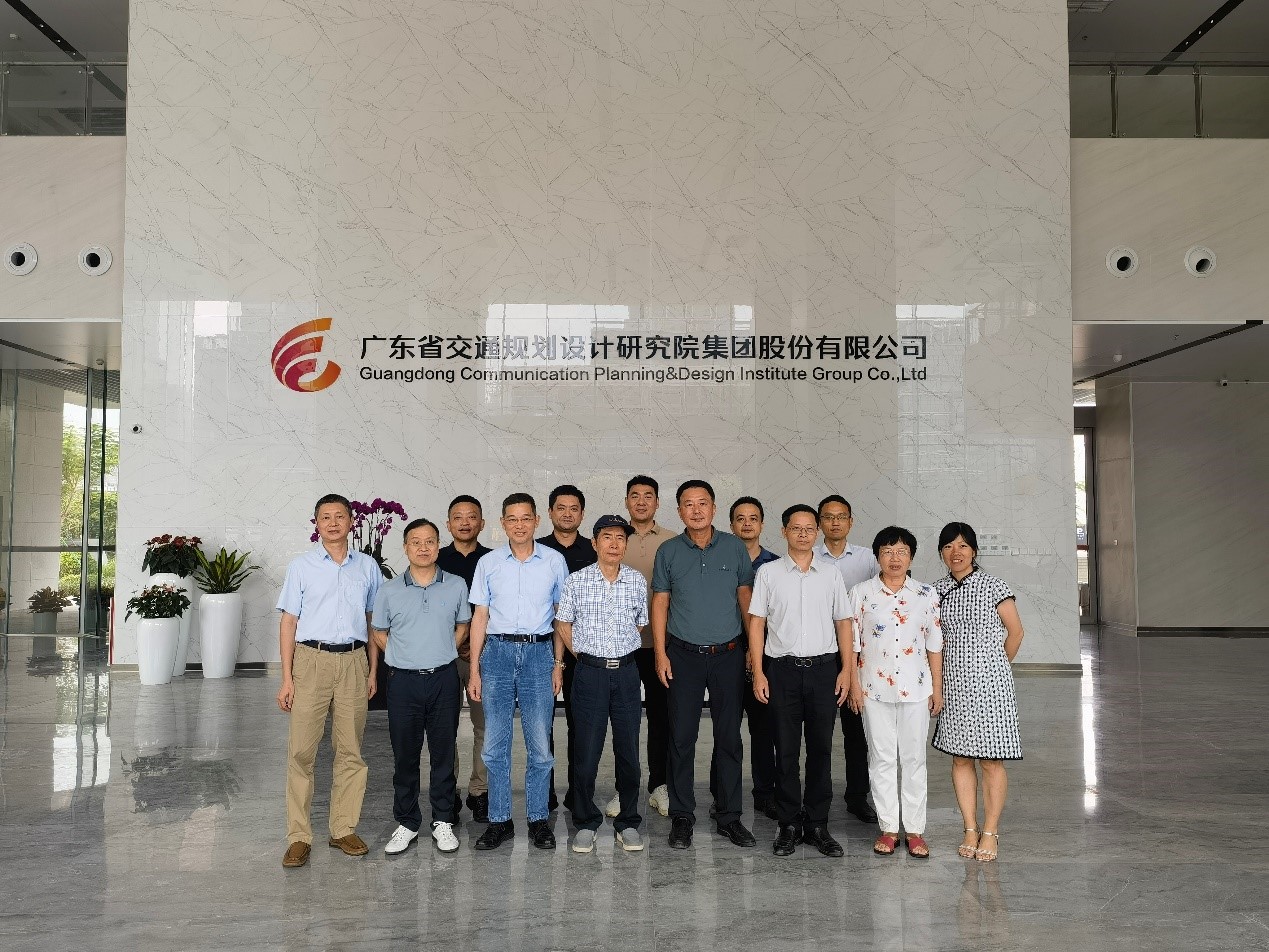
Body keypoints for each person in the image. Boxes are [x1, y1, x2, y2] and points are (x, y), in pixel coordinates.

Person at [276, 493, 382, 869]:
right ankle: (299, 836)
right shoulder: (301, 567)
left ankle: (343, 829)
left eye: (340, 516)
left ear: (351, 522)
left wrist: (372, 671)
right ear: (317, 524)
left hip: (354, 661)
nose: (333, 523)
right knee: (302, 752)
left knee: (351, 750)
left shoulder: (367, 567)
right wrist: (287, 679)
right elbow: (289, 622)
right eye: (325, 517)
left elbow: (373, 622)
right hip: (311, 661)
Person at [652, 479, 756, 850]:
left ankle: (729, 816)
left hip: (728, 654)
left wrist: (751, 649)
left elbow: (746, 599)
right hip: (683, 656)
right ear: (679, 510)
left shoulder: (734, 547)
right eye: (688, 504)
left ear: (713, 508)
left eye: (703, 503)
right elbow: (660, 603)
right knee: (681, 737)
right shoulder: (668, 551)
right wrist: (661, 653)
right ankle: (682, 816)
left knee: (729, 737)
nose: (696, 510)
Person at [749, 505, 853, 857]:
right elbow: (757, 623)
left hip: (824, 670)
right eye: (797, 528)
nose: (804, 534)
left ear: (817, 532)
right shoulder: (768, 573)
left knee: (821, 749)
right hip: (782, 670)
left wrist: (846, 670)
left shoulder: (831, 574)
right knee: (786, 750)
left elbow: (843, 622)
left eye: (810, 528)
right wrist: (759, 671)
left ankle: (819, 824)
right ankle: (789, 824)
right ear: (784, 531)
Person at [467, 493, 568, 850]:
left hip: (539, 654)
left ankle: (539, 819)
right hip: (497, 654)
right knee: (495, 745)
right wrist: (475, 670)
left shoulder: (554, 561)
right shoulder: (489, 563)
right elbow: (480, 617)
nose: (520, 525)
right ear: (503, 523)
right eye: (512, 519)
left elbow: (561, 617)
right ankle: (500, 820)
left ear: (537, 521)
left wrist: (558, 664)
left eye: (526, 518)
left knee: (540, 745)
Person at [371, 518, 471, 855]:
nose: (423, 548)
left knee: (443, 753)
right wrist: (401, 655)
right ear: (406, 547)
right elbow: (379, 632)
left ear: (438, 546)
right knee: (405, 755)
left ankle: (443, 820)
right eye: (416, 542)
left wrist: (443, 650)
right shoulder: (389, 590)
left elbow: (463, 625)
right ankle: (407, 822)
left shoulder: (456, 585)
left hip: (444, 679)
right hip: (403, 682)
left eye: (429, 541)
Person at [930, 522, 1025, 863]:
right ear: (941, 552)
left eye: (962, 546)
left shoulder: (994, 585)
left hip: (991, 685)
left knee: (991, 759)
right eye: (948, 546)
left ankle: (991, 831)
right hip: (953, 684)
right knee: (960, 757)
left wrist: (994, 666)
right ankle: (970, 827)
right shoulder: (935, 591)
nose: (955, 552)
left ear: (973, 550)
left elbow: (1016, 632)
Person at [846, 526, 943, 859]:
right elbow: (852, 645)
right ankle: (888, 828)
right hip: (873, 689)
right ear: (877, 557)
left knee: (914, 759)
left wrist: (937, 688)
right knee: (881, 758)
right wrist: (854, 686)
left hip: (916, 689)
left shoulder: (926, 594)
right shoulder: (861, 593)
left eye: (902, 551)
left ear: (911, 557)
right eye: (887, 551)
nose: (895, 558)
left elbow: (934, 644)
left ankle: (914, 830)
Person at [555, 514, 649, 853]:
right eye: (607, 537)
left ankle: (628, 821)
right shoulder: (577, 581)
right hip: (589, 673)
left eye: (620, 538)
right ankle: (585, 821)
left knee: (629, 750)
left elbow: (639, 624)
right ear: (595, 543)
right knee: (586, 749)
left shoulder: (636, 580)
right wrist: (584, 655)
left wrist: (616, 652)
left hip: (626, 673)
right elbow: (563, 623)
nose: (614, 543)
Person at [606, 474, 674, 819]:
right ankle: (625, 788)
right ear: (626, 502)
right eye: (635, 495)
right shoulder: (615, 539)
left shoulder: (673, 541)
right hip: (623, 647)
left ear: (658, 502)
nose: (642, 501)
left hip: (663, 647)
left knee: (662, 718)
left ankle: (660, 785)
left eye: (649, 495)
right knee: (626, 721)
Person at [712, 496, 779, 819]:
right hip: (725, 651)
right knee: (725, 728)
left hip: (764, 655)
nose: (747, 523)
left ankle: (765, 793)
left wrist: (758, 653)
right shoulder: (718, 560)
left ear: (762, 524)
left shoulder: (775, 565)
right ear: (731, 525)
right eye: (740, 518)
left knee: (763, 728)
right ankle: (722, 794)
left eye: (753, 518)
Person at [815, 494, 880, 824]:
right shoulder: (810, 556)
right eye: (828, 517)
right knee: (821, 733)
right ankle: (818, 796)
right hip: (822, 654)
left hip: (859, 656)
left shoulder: (869, 559)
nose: (835, 522)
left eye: (841, 516)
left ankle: (857, 796)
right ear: (819, 523)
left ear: (851, 522)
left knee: (857, 732)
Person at [536, 484, 597, 814]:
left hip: (583, 652)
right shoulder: (537, 551)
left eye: (574, 508)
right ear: (550, 513)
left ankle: (579, 794)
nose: (567, 514)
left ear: (582, 514)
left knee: (581, 725)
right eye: (561, 508)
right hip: (540, 649)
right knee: (541, 726)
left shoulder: (593, 549)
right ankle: (544, 795)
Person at [436, 495, 492, 822]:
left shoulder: (494, 560)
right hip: (443, 655)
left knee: (485, 726)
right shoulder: (435, 560)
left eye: (472, 516)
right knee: (445, 727)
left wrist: (477, 644)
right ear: (448, 524)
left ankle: (480, 792)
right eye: (458, 517)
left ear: (481, 523)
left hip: (483, 656)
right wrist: (455, 643)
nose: (465, 522)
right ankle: (448, 794)